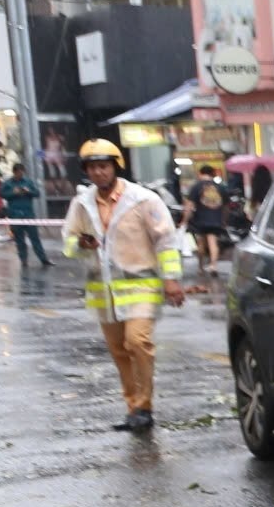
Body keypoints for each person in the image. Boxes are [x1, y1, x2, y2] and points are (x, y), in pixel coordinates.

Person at [61, 138, 184, 434]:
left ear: (116, 166)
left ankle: (144, 405)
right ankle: (133, 409)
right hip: (103, 291)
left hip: (142, 286)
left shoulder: (143, 200)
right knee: (119, 351)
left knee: (137, 342)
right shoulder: (82, 204)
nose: (98, 172)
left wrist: (170, 280)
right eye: (92, 168)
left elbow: (166, 241)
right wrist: (80, 243)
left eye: (103, 166)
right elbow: (68, 242)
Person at [0, 162, 50, 266]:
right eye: (18, 173)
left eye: (22, 173)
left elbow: (37, 193)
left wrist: (28, 191)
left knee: (34, 237)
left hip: (28, 214)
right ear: (14, 172)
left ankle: (43, 259)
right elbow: (1, 194)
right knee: (19, 239)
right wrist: (13, 193)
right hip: (15, 214)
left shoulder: (28, 182)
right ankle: (23, 260)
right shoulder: (8, 183)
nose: (20, 175)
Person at [186, 162, 229, 274]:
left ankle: (200, 267)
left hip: (200, 219)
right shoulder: (220, 187)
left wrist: (184, 220)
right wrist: (224, 220)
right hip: (216, 218)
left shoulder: (196, 186)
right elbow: (226, 206)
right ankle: (213, 266)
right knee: (213, 242)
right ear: (212, 174)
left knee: (200, 243)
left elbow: (189, 205)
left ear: (200, 173)